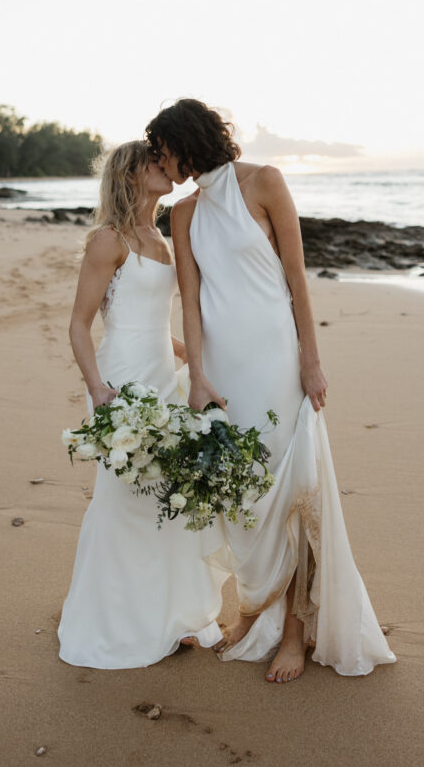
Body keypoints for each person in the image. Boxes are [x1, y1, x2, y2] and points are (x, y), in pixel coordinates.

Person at [145, 100, 396, 683]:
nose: (161, 159)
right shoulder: (183, 213)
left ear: (186, 141)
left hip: (278, 362)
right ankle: (256, 611)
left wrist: (311, 360)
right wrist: (199, 376)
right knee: (243, 493)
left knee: (293, 487)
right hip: (226, 371)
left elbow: (296, 277)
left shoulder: (264, 182)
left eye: (163, 147)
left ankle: (294, 632)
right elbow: (191, 302)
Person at [57, 141, 224, 669]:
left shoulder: (161, 237)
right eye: (156, 162)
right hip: (119, 380)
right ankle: (112, 620)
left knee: (166, 498)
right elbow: (80, 325)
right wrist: (99, 389)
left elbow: (155, 321)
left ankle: (167, 616)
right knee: (123, 498)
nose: (167, 168)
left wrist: (194, 361)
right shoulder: (108, 240)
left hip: (159, 375)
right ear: (131, 173)